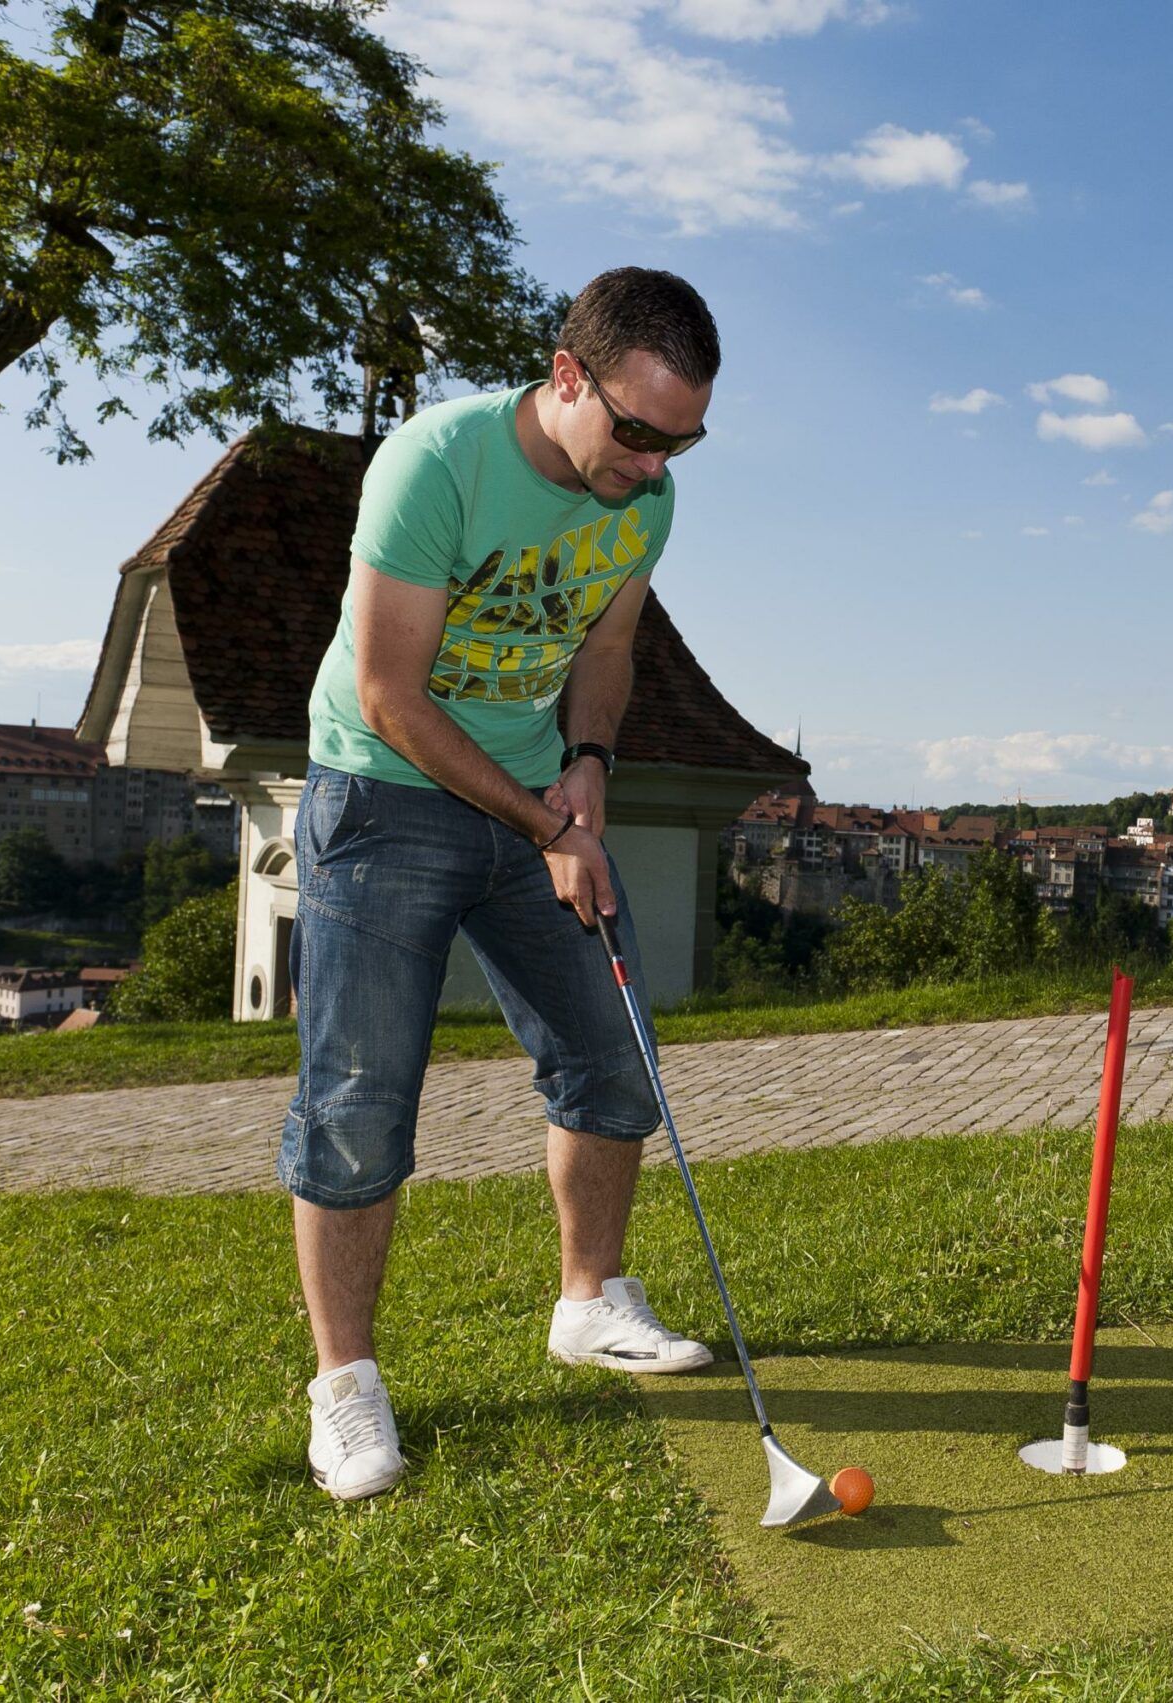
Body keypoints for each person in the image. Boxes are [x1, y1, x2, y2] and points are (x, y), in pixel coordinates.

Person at [288, 268, 728, 1501]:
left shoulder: (646, 497)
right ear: (567, 374)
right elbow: (390, 693)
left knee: (609, 1053)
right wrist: (546, 820)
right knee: (359, 1098)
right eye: (636, 433)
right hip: (382, 794)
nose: (653, 465)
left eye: (681, 440)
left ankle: (589, 1302)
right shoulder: (434, 463)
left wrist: (586, 766)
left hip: (536, 790)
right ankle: (348, 1387)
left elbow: (606, 646)